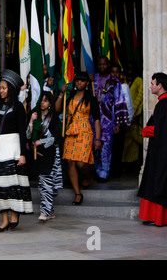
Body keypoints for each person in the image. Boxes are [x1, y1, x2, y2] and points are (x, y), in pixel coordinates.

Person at [0, 69, 32, 232]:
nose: (1, 90)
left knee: (12, 184)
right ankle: (4, 220)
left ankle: (15, 214)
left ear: (10, 88)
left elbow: (23, 132)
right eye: (0, 88)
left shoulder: (18, 107)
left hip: (13, 147)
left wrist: (23, 154)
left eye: (3, 88)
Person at [56, 71, 102, 205]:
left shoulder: (91, 99)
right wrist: (61, 93)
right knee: (70, 162)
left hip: (85, 132)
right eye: (77, 80)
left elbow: (97, 121)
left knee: (81, 163)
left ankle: (88, 176)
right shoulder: (69, 97)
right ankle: (77, 193)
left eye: (82, 80)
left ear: (87, 83)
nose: (79, 83)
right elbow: (58, 109)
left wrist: (98, 139)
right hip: (71, 132)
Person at [137, 72, 167, 227]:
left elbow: (157, 129)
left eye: (152, 83)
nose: (150, 86)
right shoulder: (163, 103)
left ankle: (159, 218)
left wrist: (146, 131)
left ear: (160, 85)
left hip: (161, 151)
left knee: (158, 181)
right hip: (162, 149)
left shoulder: (164, 105)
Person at [92, 57, 129, 182]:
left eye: (105, 64)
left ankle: (104, 172)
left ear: (108, 65)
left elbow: (120, 102)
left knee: (106, 147)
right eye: (100, 64)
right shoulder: (92, 79)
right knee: (93, 145)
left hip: (108, 121)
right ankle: (94, 170)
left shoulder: (115, 82)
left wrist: (118, 123)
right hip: (92, 120)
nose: (102, 66)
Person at [27, 91, 62, 220]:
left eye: (46, 100)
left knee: (45, 180)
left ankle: (44, 212)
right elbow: (28, 136)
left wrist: (41, 141)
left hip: (49, 153)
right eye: (41, 100)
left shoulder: (54, 117)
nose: (42, 102)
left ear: (50, 103)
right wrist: (31, 121)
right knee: (42, 183)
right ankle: (50, 211)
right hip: (37, 154)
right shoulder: (35, 116)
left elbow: (56, 137)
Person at [110, 64, 134, 176]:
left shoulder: (124, 87)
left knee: (118, 147)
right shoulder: (107, 86)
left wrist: (128, 121)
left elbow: (129, 104)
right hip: (108, 122)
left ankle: (116, 170)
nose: (115, 74)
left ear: (120, 74)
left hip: (120, 121)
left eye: (117, 72)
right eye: (113, 72)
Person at [122, 62, 143, 174]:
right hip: (122, 118)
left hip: (135, 119)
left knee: (134, 145)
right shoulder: (122, 80)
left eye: (132, 68)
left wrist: (134, 115)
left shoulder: (139, 80)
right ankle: (124, 168)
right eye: (127, 68)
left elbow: (140, 98)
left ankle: (133, 168)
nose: (129, 70)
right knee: (124, 145)